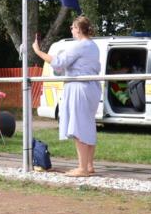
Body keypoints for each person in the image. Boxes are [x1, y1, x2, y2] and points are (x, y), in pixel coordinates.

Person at [31, 16, 101, 176]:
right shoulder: (93, 46)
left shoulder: (80, 46)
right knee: (88, 125)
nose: (71, 29)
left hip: (79, 88)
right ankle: (89, 165)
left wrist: (38, 51)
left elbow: (58, 63)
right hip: (91, 88)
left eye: (72, 27)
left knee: (79, 126)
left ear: (78, 29)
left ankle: (82, 168)